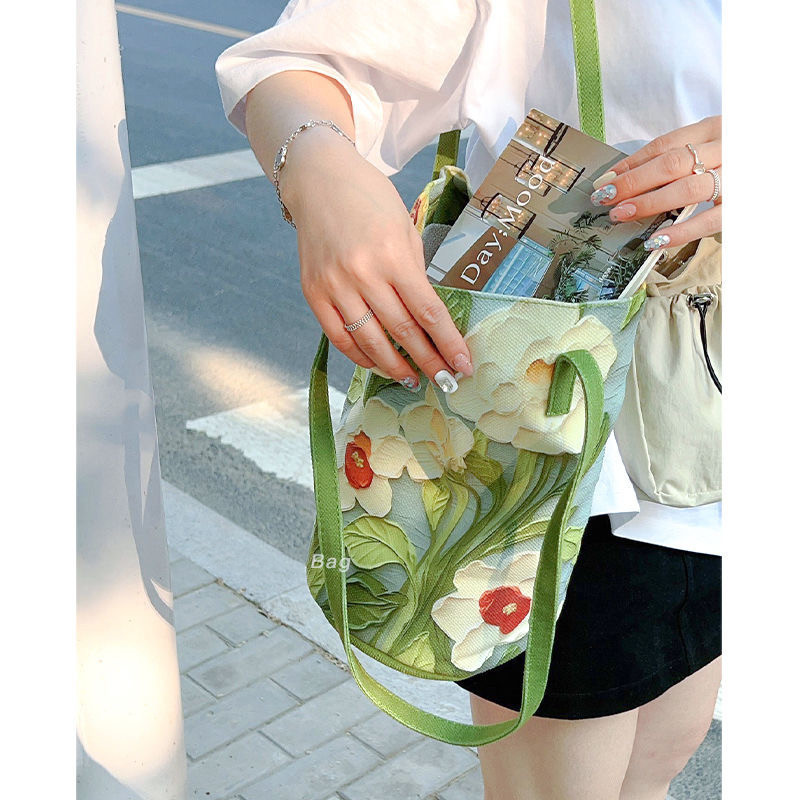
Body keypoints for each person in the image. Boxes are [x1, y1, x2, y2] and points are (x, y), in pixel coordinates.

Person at [215, 2, 722, 798]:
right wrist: (320, 173)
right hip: (565, 476)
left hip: (718, 447)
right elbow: (296, 67)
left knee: (657, 768)